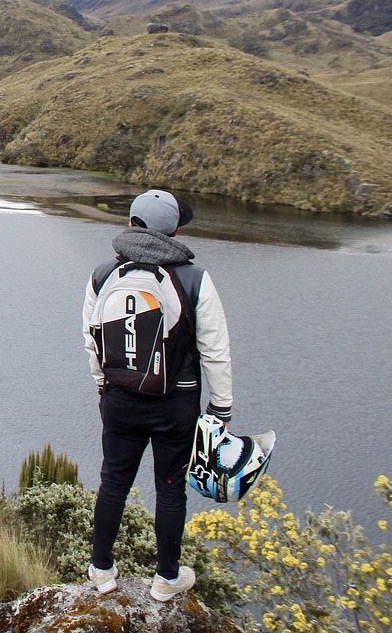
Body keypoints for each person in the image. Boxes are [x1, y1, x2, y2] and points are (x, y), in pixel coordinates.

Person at [81, 189, 233, 601]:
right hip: (175, 403)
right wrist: (221, 409)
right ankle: (166, 578)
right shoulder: (194, 278)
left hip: (119, 399)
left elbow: (91, 338)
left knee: (113, 482)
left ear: (131, 223)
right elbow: (215, 350)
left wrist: (102, 386)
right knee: (169, 487)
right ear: (176, 229)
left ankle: (101, 571)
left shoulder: (103, 275)